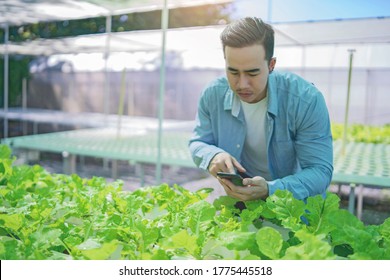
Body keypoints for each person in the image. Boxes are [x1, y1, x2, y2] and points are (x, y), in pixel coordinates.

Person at [188, 17, 333, 202]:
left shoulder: (305, 99)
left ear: (271, 65)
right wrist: (212, 155)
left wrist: (270, 190)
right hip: (239, 200)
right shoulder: (212, 94)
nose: (242, 84)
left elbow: (320, 171)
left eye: (252, 73)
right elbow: (197, 143)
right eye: (233, 72)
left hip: (293, 204)